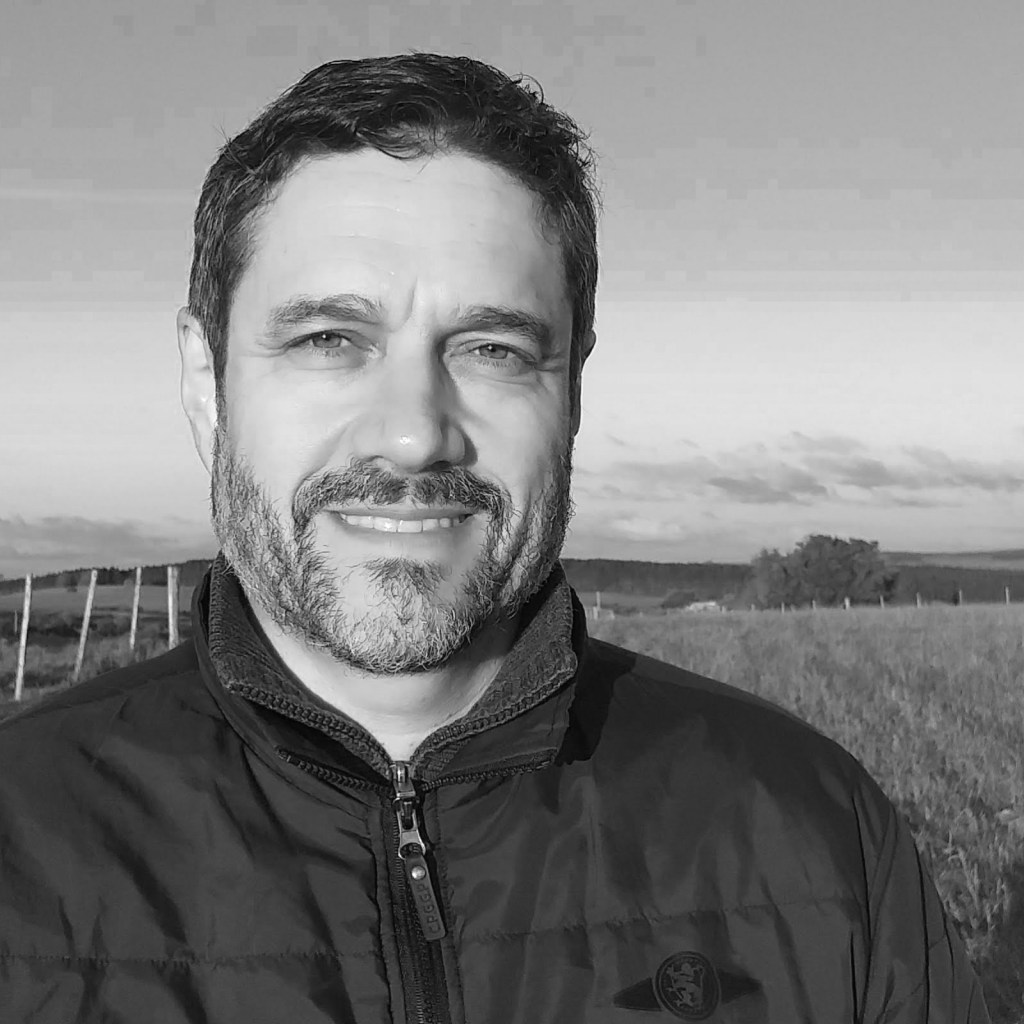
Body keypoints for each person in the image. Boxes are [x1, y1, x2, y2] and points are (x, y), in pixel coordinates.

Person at [0, 55, 989, 1024]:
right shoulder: (21, 841)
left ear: (572, 390)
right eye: (328, 340)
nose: (412, 432)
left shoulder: (811, 832)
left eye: (491, 349)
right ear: (205, 383)